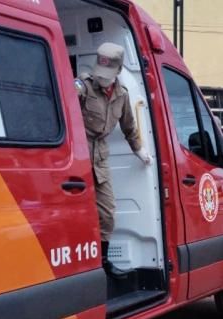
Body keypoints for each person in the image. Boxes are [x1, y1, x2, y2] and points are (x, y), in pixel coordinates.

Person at [76, 42, 152, 278]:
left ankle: (103, 261)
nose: (103, 79)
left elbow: (129, 127)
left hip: (100, 157)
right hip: (78, 155)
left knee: (107, 211)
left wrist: (139, 150)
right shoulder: (84, 87)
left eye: (108, 75)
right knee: (77, 212)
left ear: (118, 72)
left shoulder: (122, 95)